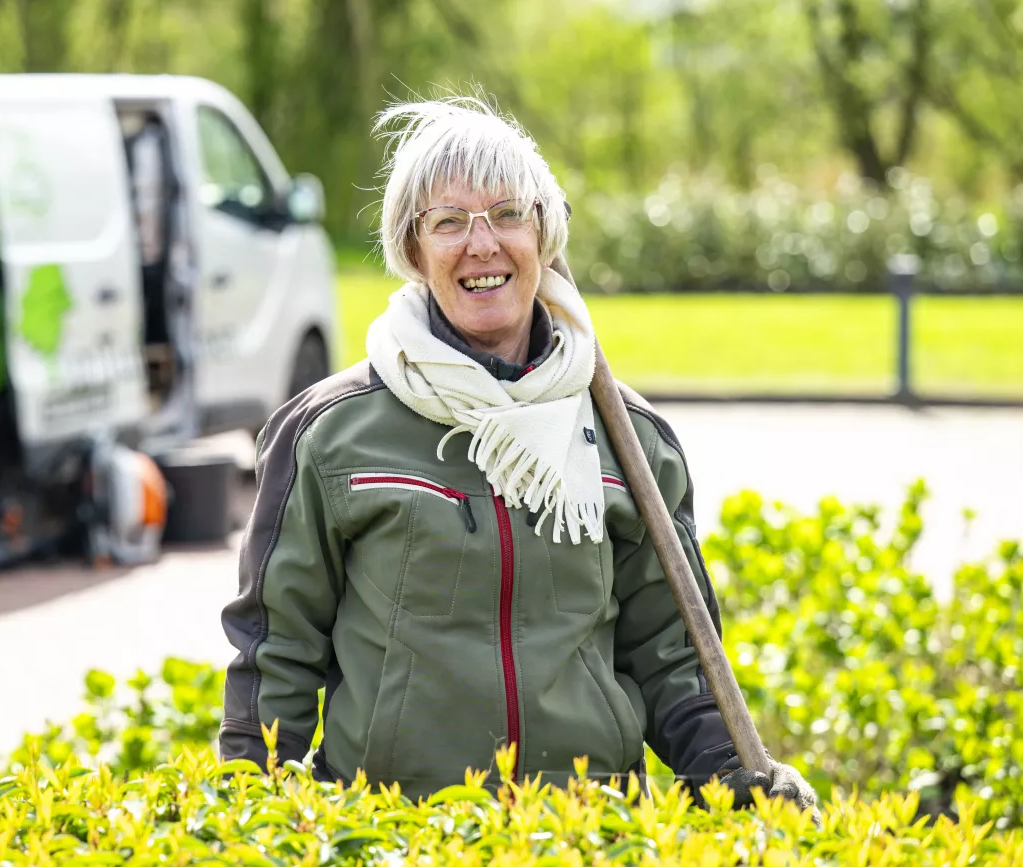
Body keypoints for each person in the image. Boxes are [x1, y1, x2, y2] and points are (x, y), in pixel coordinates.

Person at [218, 95, 818, 818]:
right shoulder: (331, 432)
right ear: (413, 250)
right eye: (449, 222)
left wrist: (740, 778)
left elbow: (674, 655)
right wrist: (252, 817)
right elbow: (274, 652)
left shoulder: (630, 437)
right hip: (397, 832)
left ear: (544, 234)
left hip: (589, 832)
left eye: (508, 214)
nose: (482, 245)